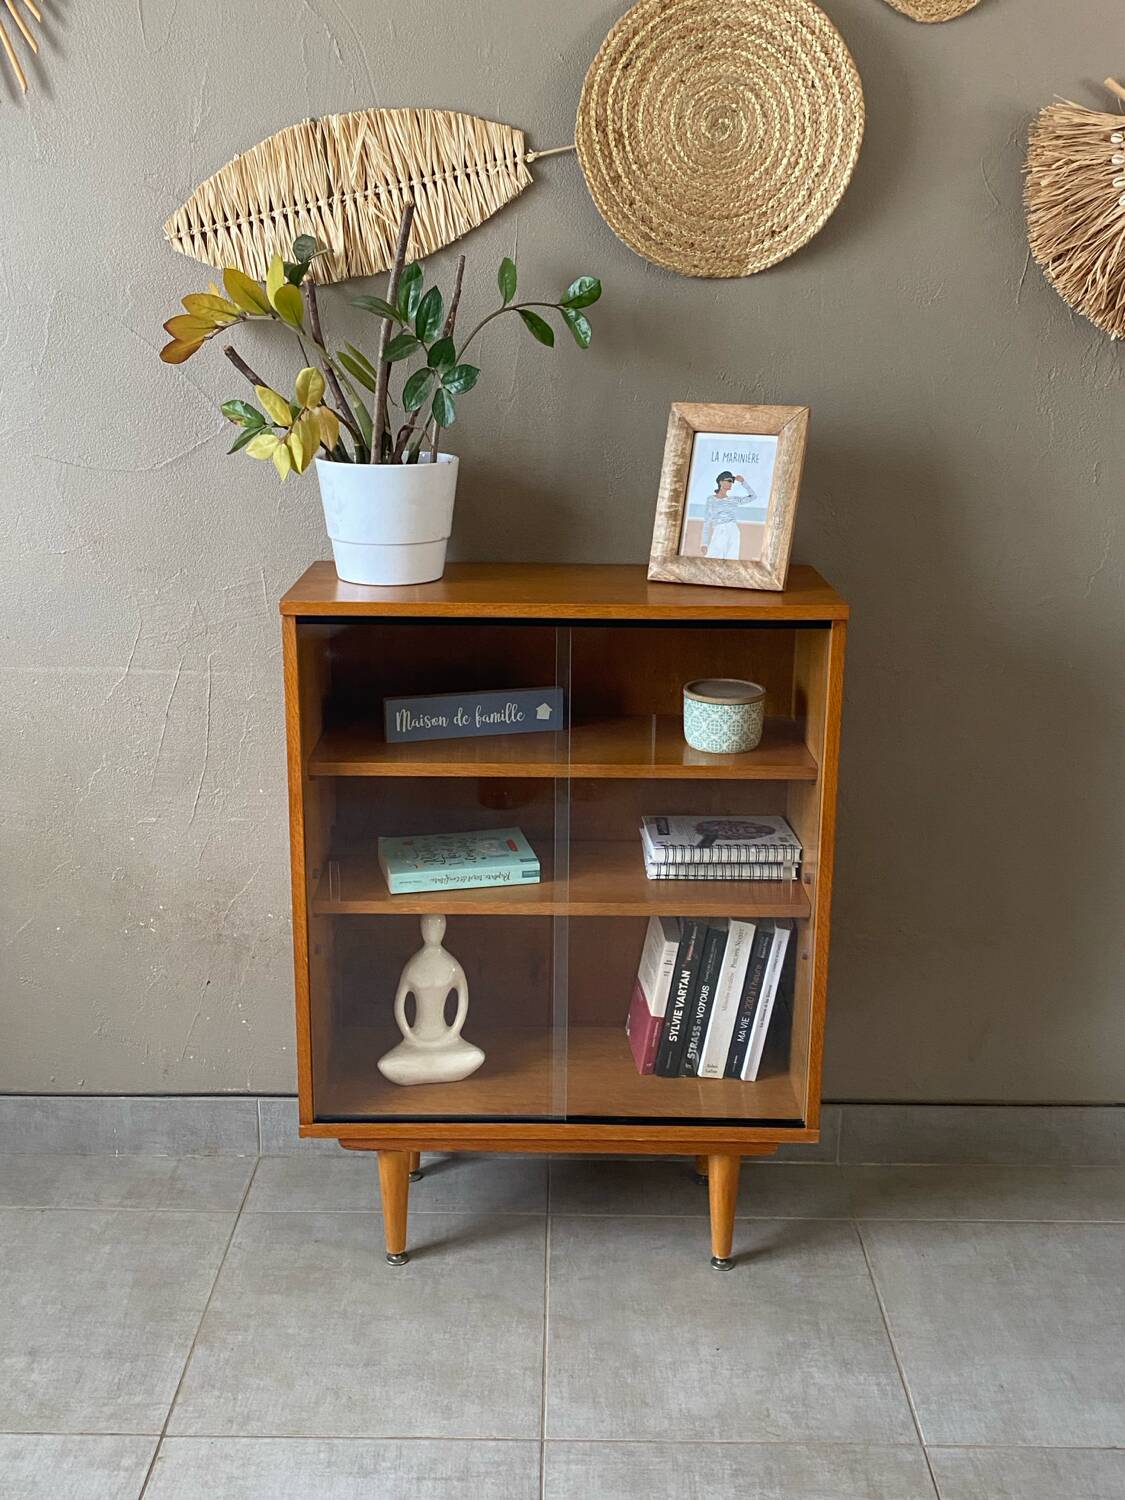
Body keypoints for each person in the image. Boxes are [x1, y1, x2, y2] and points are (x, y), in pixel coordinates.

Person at [699, 471, 755, 559]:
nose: (731, 483)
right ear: (721, 482)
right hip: (719, 530)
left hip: (733, 530)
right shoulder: (711, 499)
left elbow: (753, 496)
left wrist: (743, 482)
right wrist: (704, 543)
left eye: (732, 481)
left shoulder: (733, 499)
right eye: (729, 480)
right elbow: (707, 522)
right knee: (713, 559)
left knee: (731, 560)